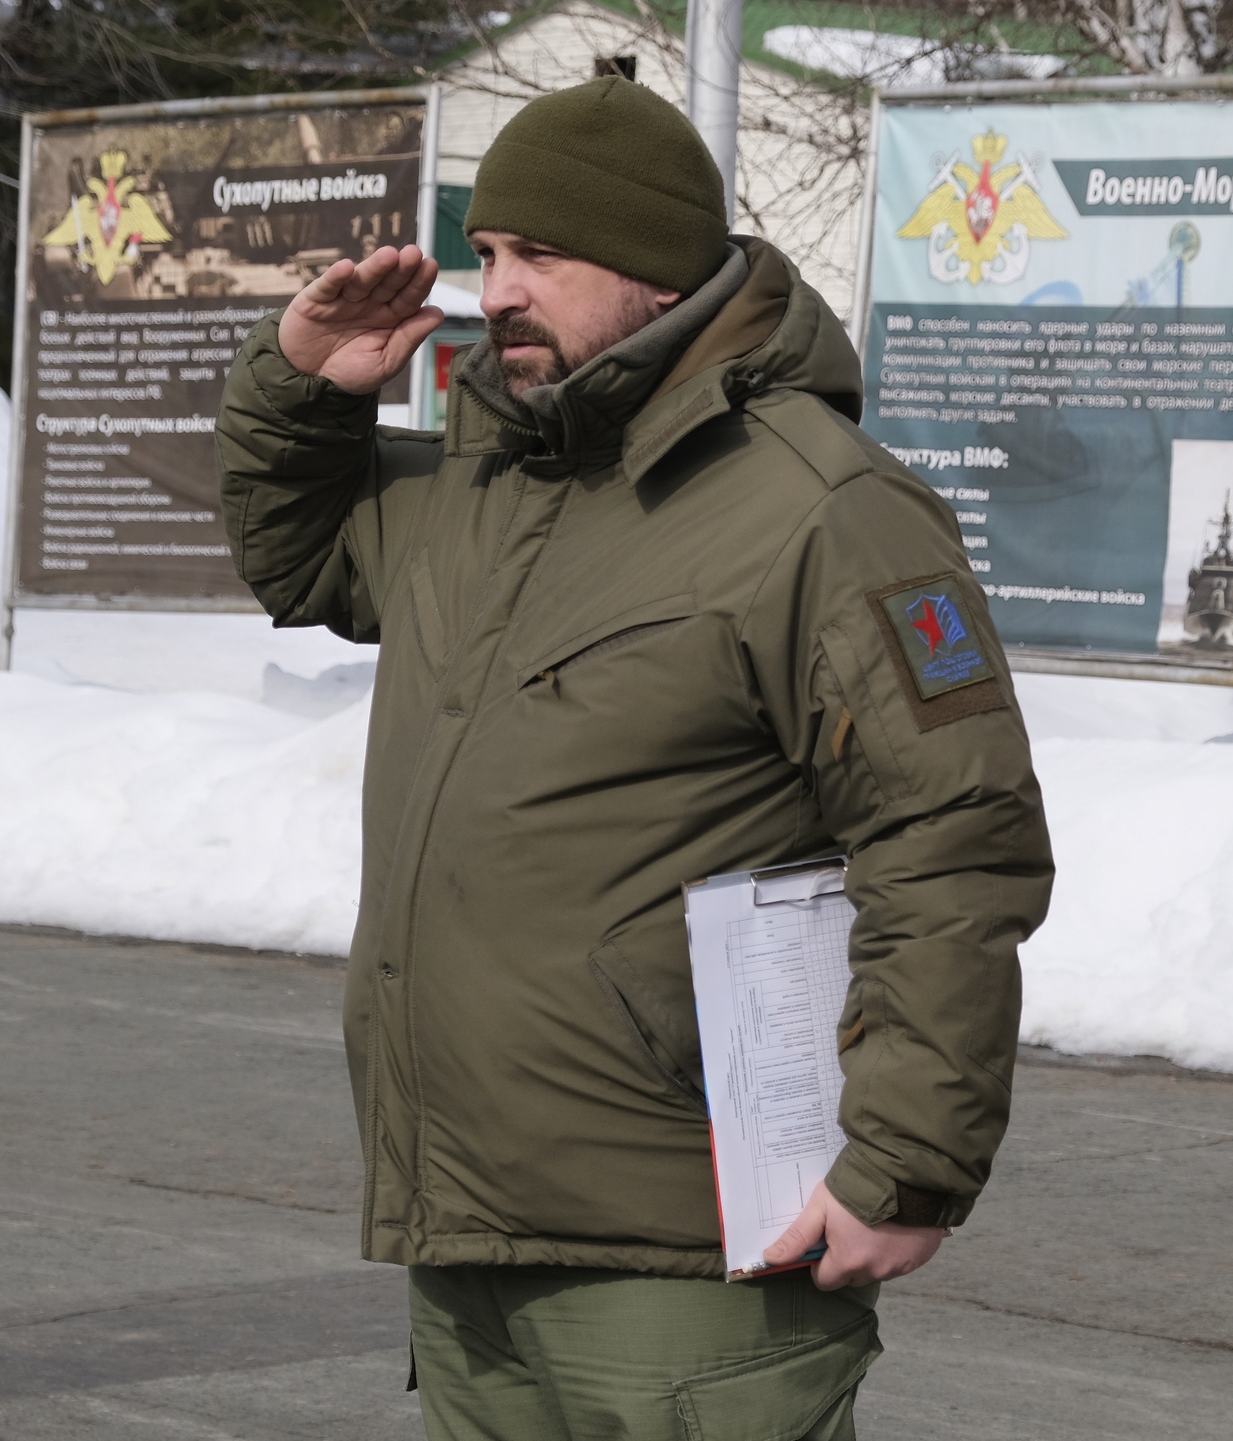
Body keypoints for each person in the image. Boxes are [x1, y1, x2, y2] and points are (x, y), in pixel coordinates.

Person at [215, 76, 1053, 1440]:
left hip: (693, 1260)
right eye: (488, 255)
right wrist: (302, 392)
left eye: (539, 255)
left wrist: (909, 1159)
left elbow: (955, 838)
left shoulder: (822, 506)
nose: (497, 293)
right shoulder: (488, 486)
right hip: (473, 1234)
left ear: (653, 263)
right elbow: (303, 558)